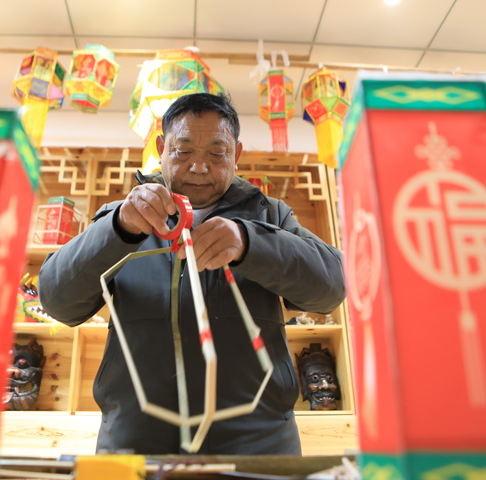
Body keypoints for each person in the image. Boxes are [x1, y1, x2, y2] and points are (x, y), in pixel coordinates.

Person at [38, 93, 346, 455]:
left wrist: (251, 243)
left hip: (258, 444)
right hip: (136, 443)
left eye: (217, 153)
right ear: (160, 148)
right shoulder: (123, 216)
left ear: (237, 154)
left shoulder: (270, 216)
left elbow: (333, 287)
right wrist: (118, 228)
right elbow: (57, 301)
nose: (199, 167)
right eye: (183, 151)